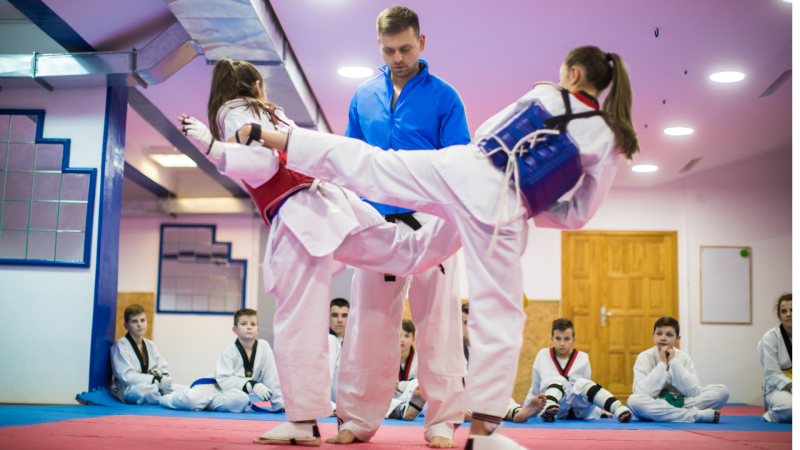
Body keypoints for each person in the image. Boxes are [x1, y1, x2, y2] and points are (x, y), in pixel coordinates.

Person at [255, 45, 639, 449]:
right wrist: (529, 207)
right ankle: (484, 433)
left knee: (375, 164)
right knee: (500, 316)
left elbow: (489, 132)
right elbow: (578, 214)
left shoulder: (543, 93)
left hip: (463, 169)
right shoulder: (609, 137)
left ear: (574, 74)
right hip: (503, 208)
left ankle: (280, 139)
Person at [179, 57, 461, 446]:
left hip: (299, 217)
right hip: (334, 204)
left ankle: (303, 421)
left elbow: (262, 163)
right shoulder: (276, 116)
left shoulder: (235, 113)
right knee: (404, 254)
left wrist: (216, 149)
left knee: (299, 317)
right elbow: (326, 153)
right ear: (258, 86)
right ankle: (465, 219)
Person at [332, 6, 470, 448]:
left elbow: (458, 165)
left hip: (431, 224)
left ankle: (442, 422)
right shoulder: (363, 97)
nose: (398, 57)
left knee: (439, 324)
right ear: (379, 45)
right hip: (375, 225)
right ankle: (356, 418)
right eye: (389, 50)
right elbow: (351, 161)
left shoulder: (445, 97)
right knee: (368, 325)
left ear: (421, 43)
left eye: (406, 48)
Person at [159, 308, 283, 413]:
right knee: (192, 401)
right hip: (215, 387)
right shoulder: (230, 350)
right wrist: (252, 385)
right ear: (235, 330)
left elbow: (271, 377)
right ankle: (164, 398)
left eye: (253, 324)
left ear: (257, 330)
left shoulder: (264, 347)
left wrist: (278, 403)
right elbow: (224, 380)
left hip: (234, 393)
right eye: (244, 324)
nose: (249, 327)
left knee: (241, 400)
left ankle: (205, 404)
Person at [525, 319, 631, 423]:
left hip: (580, 408)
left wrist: (598, 410)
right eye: (558, 338)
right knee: (559, 380)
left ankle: (618, 408)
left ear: (573, 340)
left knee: (583, 383)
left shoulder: (582, 358)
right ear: (552, 339)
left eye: (567, 339)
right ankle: (548, 409)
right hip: (556, 408)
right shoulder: (543, 355)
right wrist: (527, 408)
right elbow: (535, 387)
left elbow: (589, 391)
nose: (562, 343)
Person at [627, 317, 729, 423]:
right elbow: (642, 392)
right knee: (634, 401)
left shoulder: (684, 358)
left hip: (682, 401)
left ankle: (668, 413)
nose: (663, 338)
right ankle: (695, 415)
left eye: (669, 335)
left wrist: (673, 362)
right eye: (659, 333)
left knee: (722, 392)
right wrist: (662, 364)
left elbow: (693, 391)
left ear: (677, 338)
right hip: (655, 401)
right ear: (653, 336)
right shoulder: (644, 357)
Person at [110, 305, 184, 404]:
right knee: (146, 391)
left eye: (142, 320)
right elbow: (126, 376)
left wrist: (159, 374)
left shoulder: (150, 344)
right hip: (128, 389)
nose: (139, 324)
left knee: (181, 388)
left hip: (152, 385)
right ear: (126, 326)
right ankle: (167, 399)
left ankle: (174, 396)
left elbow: (164, 368)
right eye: (134, 321)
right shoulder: (120, 345)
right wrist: (153, 379)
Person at [757, 293, 792, 423]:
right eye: (784, 311)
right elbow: (772, 374)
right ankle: (772, 415)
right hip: (777, 389)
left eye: (792, 310)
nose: (789, 314)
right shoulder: (770, 337)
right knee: (791, 408)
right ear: (779, 315)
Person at [396, 319, 419, 397]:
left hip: (413, 399)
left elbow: (420, 385)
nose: (402, 340)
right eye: (399, 335)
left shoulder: (419, 360)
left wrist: (398, 385)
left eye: (406, 336)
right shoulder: (387, 360)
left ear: (413, 339)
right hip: (391, 401)